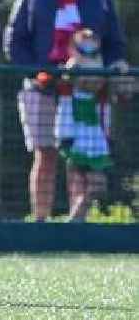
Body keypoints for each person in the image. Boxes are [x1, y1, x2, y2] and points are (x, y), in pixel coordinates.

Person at [4, 0, 128, 221]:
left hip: (86, 90)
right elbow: (15, 41)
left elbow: (114, 41)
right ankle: (41, 221)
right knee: (45, 154)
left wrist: (112, 67)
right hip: (43, 87)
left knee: (81, 159)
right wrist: (37, 72)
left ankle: (77, 222)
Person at [54, 29, 111, 221]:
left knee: (97, 186)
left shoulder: (101, 92)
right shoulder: (69, 92)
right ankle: (74, 222)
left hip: (95, 140)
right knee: (81, 183)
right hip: (76, 138)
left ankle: (75, 219)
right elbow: (68, 75)